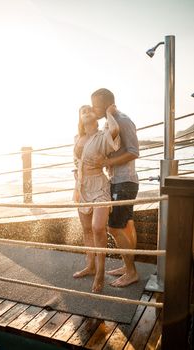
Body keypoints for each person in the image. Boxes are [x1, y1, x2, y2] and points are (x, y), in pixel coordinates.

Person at [90, 88, 139, 287]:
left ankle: (131, 272)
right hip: (118, 181)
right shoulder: (109, 122)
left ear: (106, 104)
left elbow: (134, 152)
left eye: (95, 105)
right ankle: (128, 266)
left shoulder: (123, 121)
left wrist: (106, 162)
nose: (93, 109)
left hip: (124, 182)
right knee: (126, 226)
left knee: (114, 227)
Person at [73, 104, 120, 293]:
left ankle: (100, 273)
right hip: (81, 188)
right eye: (82, 110)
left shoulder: (101, 136)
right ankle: (90, 266)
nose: (86, 111)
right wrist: (76, 185)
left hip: (99, 186)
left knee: (98, 228)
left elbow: (115, 129)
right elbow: (76, 165)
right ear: (79, 117)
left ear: (95, 116)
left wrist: (108, 113)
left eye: (89, 109)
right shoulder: (77, 138)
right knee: (86, 229)